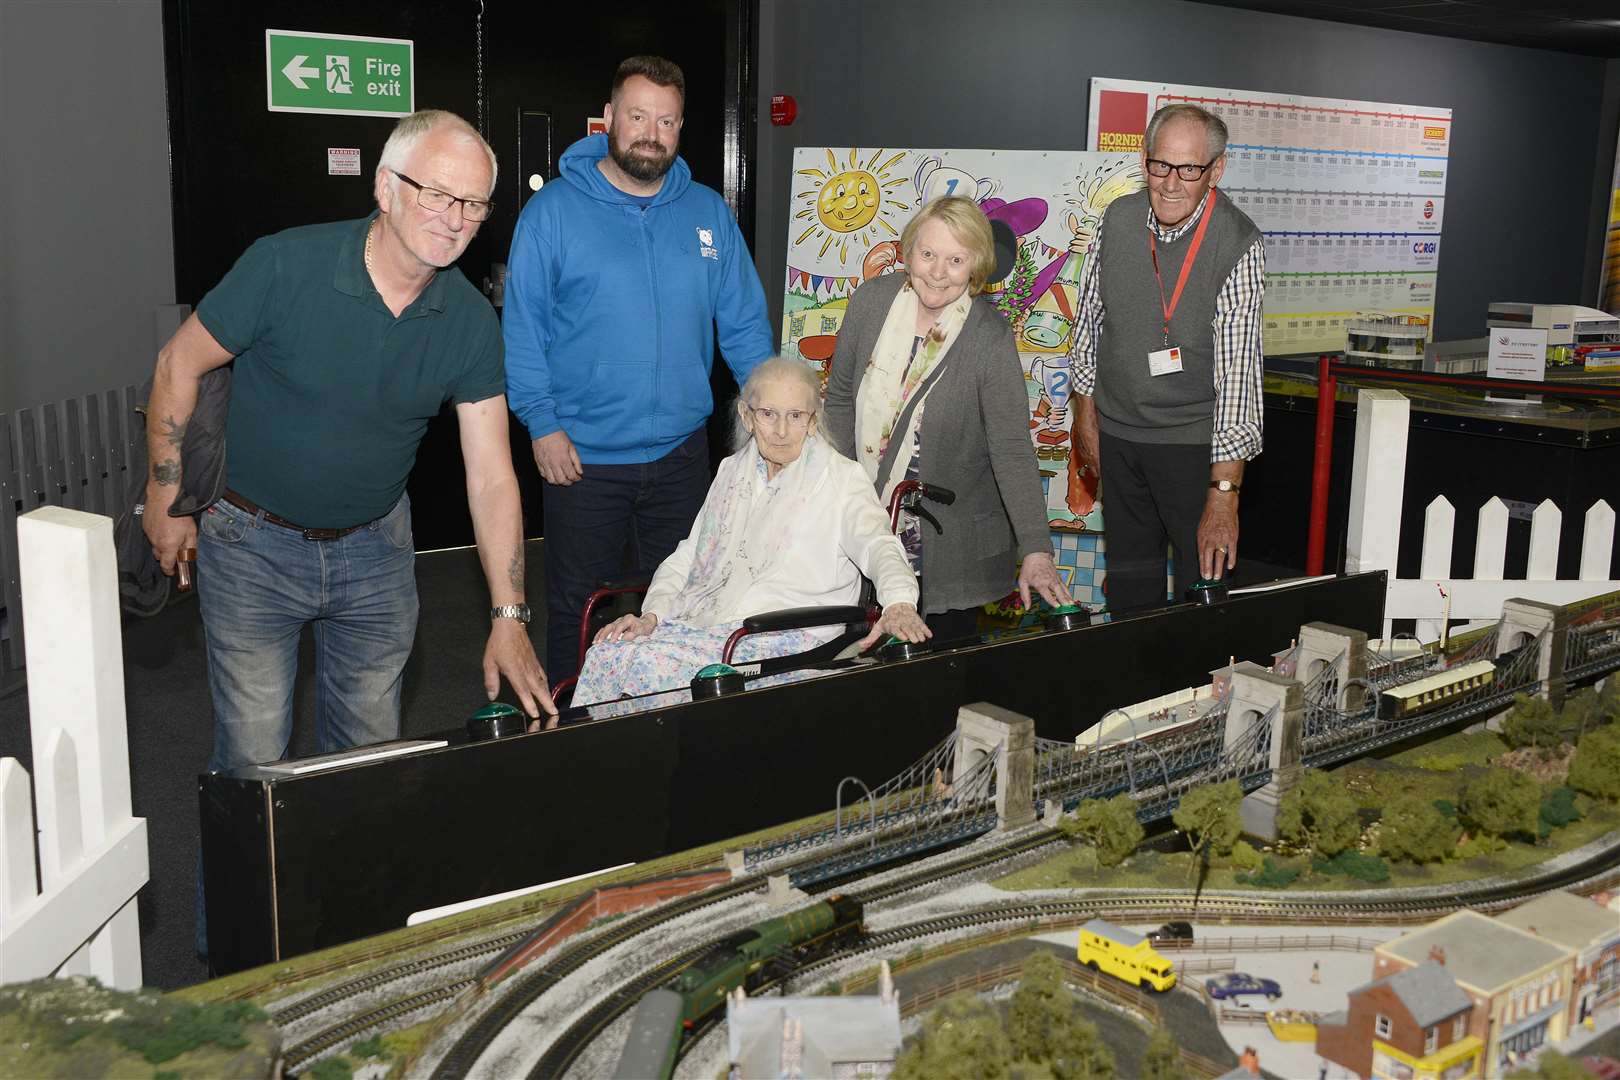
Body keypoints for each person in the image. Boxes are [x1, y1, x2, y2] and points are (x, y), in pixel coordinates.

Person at [142, 108, 553, 778]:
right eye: (438, 194)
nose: (455, 218)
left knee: (366, 766)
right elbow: (177, 366)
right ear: (387, 189)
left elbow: (492, 478)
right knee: (254, 768)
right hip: (251, 548)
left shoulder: (472, 323)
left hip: (377, 557)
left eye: (474, 203)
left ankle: (343, 887)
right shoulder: (283, 265)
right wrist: (165, 496)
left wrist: (509, 614)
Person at [503, 55, 775, 684]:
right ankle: (574, 728)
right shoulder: (554, 213)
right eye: (638, 116)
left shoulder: (708, 213)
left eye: (668, 121)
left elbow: (743, 328)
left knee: (682, 600)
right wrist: (541, 424)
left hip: (682, 458)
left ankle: (666, 718)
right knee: (578, 605)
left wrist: (772, 413)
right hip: (582, 460)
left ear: (681, 129)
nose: (651, 132)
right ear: (608, 121)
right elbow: (523, 331)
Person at [575, 358, 926, 708]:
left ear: (813, 421)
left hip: (789, 635)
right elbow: (690, 554)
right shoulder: (733, 471)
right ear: (747, 416)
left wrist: (898, 602)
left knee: (645, 666)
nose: (781, 430)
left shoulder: (840, 478)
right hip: (716, 623)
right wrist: (651, 614)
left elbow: (878, 544)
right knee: (609, 650)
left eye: (795, 416)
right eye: (768, 414)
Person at [824, 195, 1071, 640]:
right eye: (928, 254)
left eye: (955, 260)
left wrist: (1035, 548)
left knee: (940, 680)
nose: (937, 272)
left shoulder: (989, 338)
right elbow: (839, 399)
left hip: (948, 549)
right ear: (909, 250)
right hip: (862, 529)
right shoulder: (870, 303)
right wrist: (842, 490)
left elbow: (1012, 449)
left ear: (976, 265)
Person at [1067, 103, 1265, 613]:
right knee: (1132, 588)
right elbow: (1089, 321)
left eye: (1190, 169)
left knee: (1206, 592)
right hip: (1118, 436)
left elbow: (1238, 377)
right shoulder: (1118, 218)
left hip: (1192, 448)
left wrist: (1223, 493)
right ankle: (1134, 689)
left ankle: (1202, 689)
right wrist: (1085, 415)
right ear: (1144, 159)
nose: (1171, 183)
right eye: (1161, 165)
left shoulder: (1239, 243)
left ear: (1215, 170)